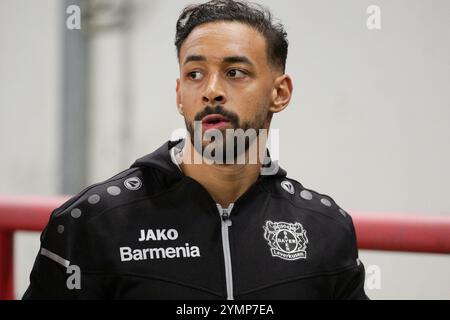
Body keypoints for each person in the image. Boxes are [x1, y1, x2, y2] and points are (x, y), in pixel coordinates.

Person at [23, 0, 368, 299]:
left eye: (235, 72)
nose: (212, 91)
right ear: (179, 95)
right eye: (195, 74)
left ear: (280, 93)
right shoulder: (93, 224)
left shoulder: (326, 230)